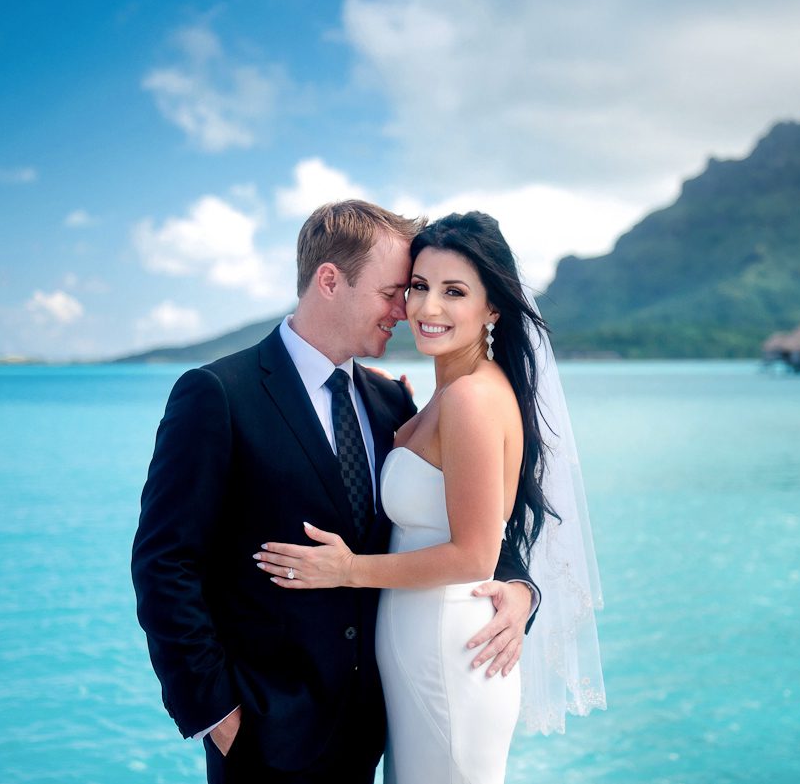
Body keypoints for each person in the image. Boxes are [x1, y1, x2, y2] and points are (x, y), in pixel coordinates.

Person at [131, 201, 537, 784]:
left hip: (379, 717)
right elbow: (163, 562)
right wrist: (213, 710)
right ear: (329, 281)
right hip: (265, 730)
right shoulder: (218, 394)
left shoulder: (390, 404)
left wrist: (520, 588)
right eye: (397, 290)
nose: (407, 310)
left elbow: (474, 515)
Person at [254, 211, 606, 783]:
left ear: (492, 308)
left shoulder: (471, 399)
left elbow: (473, 555)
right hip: (417, 656)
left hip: (450, 659)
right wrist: (521, 588)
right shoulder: (431, 398)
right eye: (417, 287)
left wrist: (346, 570)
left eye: (454, 292)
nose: (426, 307)